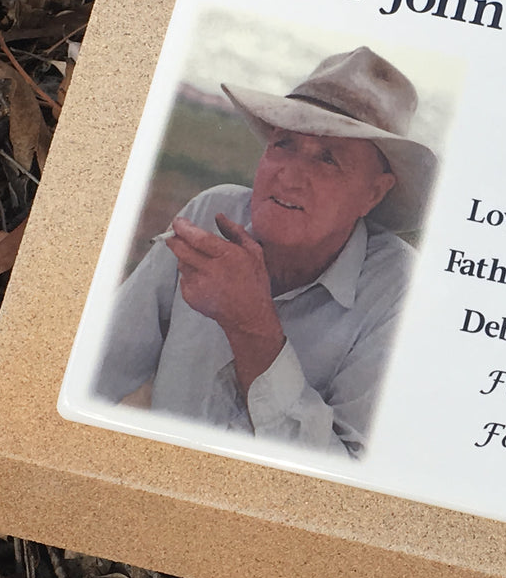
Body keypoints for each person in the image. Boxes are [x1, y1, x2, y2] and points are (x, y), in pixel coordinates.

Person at [94, 46, 437, 457]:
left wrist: (252, 325)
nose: (289, 176)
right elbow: (100, 365)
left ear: (374, 193)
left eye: (329, 159)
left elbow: (338, 483)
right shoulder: (212, 214)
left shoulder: (401, 291)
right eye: (284, 144)